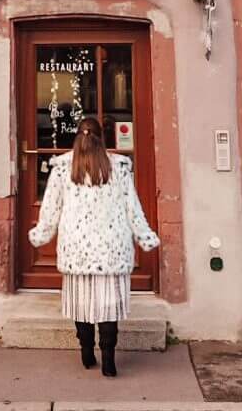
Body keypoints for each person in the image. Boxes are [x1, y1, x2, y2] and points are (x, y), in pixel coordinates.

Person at [28, 116, 159, 377]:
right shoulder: (119, 167)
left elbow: (51, 207)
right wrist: (145, 236)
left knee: (82, 303)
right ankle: (109, 359)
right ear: (103, 137)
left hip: (77, 247)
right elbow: (132, 207)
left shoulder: (63, 167)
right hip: (112, 248)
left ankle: (87, 352)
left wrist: (41, 234)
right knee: (109, 305)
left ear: (77, 135)